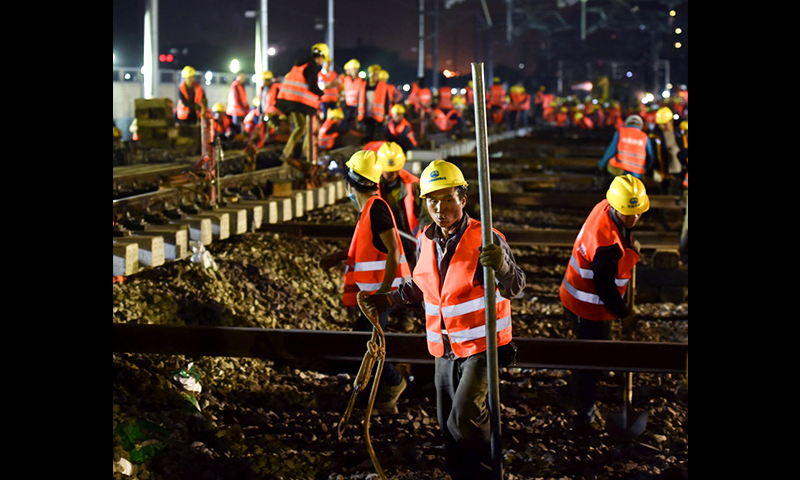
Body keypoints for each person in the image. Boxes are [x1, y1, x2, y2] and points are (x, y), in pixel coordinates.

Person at [362, 159, 526, 480]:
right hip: (444, 347)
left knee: (463, 419)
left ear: (462, 199)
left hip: (480, 346)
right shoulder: (425, 239)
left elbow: (517, 285)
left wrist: (502, 266)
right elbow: (421, 285)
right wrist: (388, 299)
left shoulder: (487, 238)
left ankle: (484, 474)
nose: (440, 207)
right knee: (446, 425)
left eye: (448, 198)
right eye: (432, 200)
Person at [318, 150, 413, 412]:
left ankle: (393, 383)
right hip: (375, 291)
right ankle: (381, 394)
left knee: (365, 342)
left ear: (350, 183)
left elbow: (393, 250)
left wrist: (383, 292)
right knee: (365, 341)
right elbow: (371, 248)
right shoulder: (370, 209)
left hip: (381, 292)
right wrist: (340, 256)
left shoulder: (376, 208)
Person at [559, 174, 649, 431]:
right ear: (616, 206)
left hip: (579, 295)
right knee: (592, 361)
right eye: (627, 214)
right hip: (586, 305)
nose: (633, 218)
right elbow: (605, 288)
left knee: (597, 350)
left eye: (637, 213)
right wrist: (624, 312)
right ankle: (583, 417)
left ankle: (573, 391)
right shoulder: (607, 245)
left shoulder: (606, 206)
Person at [376, 142, 431, 271]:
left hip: (408, 237)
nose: (392, 175)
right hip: (383, 234)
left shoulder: (413, 184)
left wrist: (427, 239)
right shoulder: (372, 186)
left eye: (395, 171)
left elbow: (425, 216)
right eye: (389, 172)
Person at [276, 43, 327, 162]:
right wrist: (321, 93)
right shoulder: (312, 66)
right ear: (320, 57)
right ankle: (305, 154)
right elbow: (312, 85)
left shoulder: (300, 64)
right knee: (307, 128)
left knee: (301, 126)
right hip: (299, 102)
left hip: (288, 100)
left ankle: (287, 153)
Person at [597, 114, 656, 184]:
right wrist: (645, 169)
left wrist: (601, 165)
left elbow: (611, 151)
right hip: (637, 175)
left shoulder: (620, 133)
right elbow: (651, 157)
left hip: (621, 172)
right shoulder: (644, 137)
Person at [649, 106, 686, 195]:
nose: (666, 126)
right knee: (666, 195)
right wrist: (655, 170)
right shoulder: (655, 137)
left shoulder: (679, 132)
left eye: (668, 122)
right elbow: (654, 155)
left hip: (680, 171)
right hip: (665, 172)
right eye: (663, 124)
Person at [357, 64, 391, 144]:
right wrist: (357, 115)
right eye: (373, 74)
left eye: (376, 75)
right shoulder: (363, 85)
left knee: (378, 137)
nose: (374, 77)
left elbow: (386, 101)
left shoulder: (382, 86)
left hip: (378, 117)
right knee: (366, 136)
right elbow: (358, 101)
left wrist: (386, 115)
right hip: (365, 116)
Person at [340, 59, 363, 132]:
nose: (355, 71)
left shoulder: (361, 80)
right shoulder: (345, 79)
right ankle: (345, 133)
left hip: (358, 104)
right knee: (346, 119)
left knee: (358, 120)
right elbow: (341, 90)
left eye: (356, 69)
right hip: (348, 104)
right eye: (353, 69)